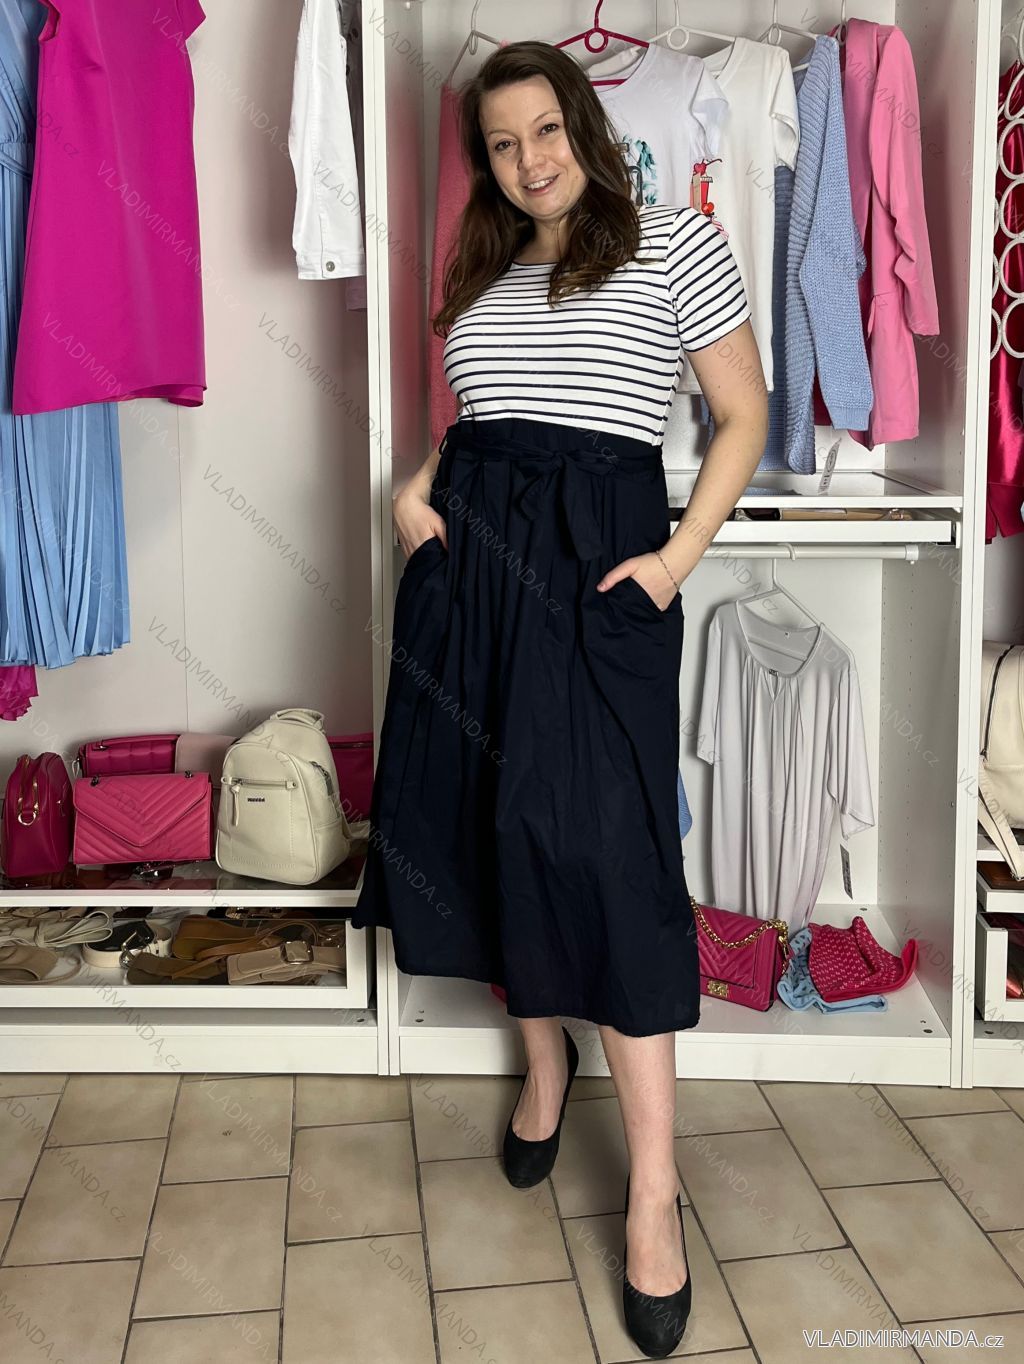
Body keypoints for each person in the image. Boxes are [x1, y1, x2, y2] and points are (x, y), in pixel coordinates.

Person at [351, 40, 768, 1358]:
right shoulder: (481, 269)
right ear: (486, 160)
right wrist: (417, 487)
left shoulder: (674, 243)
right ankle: (545, 1065)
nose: (530, 160)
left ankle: (654, 1195)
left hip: (598, 573)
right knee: (485, 827)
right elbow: (483, 415)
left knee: (611, 860)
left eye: (546, 130)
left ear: (584, 124)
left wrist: (675, 561)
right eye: (503, 142)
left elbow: (743, 417)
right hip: (471, 568)